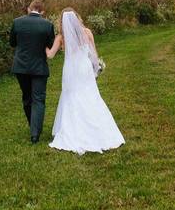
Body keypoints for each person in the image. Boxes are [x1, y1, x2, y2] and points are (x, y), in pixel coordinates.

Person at [45, 8, 125, 155]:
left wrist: (42, 44)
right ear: (77, 18)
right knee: (91, 95)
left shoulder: (61, 37)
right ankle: (99, 129)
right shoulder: (87, 32)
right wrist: (96, 67)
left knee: (71, 96)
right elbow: (93, 53)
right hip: (84, 68)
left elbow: (50, 55)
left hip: (70, 69)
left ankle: (73, 129)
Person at [9, 0, 56, 143]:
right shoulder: (48, 25)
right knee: (38, 99)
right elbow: (50, 44)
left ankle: (32, 125)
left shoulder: (17, 22)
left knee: (27, 97)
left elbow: (12, 43)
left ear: (29, 9)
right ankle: (35, 133)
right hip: (39, 67)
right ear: (42, 12)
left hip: (21, 67)